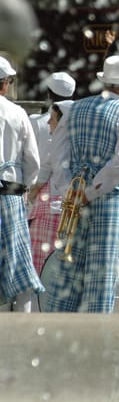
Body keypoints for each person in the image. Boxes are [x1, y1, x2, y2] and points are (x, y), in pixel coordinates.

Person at [44, 55, 119, 313]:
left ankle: (60, 326)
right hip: (107, 198)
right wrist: (91, 191)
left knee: (69, 271)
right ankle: (96, 333)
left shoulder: (74, 108)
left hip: (74, 195)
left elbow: (58, 154)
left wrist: (69, 189)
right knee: (102, 272)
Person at [0, 57, 43, 312]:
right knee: (17, 259)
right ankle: (22, 320)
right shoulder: (17, 113)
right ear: (5, 84)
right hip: (11, 193)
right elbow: (33, 160)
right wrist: (26, 187)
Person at [27, 71, 76, 273]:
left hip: (43, 197)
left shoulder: (37, 121)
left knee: (39, 263)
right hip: (72, 199)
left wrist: (30, 193)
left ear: (49, 94)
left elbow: (35, 162)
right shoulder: (79, 119)